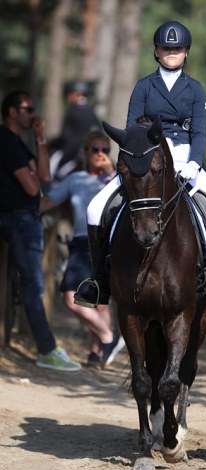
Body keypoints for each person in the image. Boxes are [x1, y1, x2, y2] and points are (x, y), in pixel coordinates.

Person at [74, 20, 206, 320]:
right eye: (166, 48)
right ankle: (99, 281)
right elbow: (130, 130)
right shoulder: (144, 85)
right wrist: (136, 162)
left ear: (186, 53)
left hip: (184, 158)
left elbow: (201, 133)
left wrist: (194, 162)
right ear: (156, 51)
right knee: (94, 208)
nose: (171, 52)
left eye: (177, 48)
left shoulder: (195, 89)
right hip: (147, 158)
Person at [0, 90, 81, 372]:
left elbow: (44, 177)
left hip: (28, 218)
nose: (32, 114)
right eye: (26, 109)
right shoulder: (6, 141)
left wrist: (40, 139)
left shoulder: (21, 144)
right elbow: (33, 188)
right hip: (19, 219)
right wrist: (33, 177)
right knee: (33, 285)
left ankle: (43, 345)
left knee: (29, 284)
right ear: (12, 112)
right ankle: (46, 349)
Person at [40, 130, 125, 368]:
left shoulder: (117, 179)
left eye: (105, 150)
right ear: (86, 153)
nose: (100, 154)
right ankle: (109, 338)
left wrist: (111, 172)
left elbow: (130, 199)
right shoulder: (75, 179)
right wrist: (27, 210)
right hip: (81, 243)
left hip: (109, 245)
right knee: (70, 297)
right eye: (95, 150)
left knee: (101, 301)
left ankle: (96, 352)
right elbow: (50, 200)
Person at [50, 80, 100, 185]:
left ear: (77, 94)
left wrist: (52, 143)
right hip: (88, 148)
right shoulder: (92, 111)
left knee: (52, 168)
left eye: (70, 94)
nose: (68, 97)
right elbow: (98, 130)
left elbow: (64, 135)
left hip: (71, 149)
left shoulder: (71, 111)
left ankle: (52, 187)